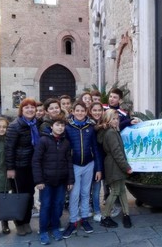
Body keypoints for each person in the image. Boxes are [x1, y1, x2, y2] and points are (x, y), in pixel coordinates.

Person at [63, 101, 102, 239]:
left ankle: (84, 218)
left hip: (89, 164)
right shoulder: (67, 128)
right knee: (74, 194)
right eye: (77, 110)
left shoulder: (90, 127)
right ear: (72, 112)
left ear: (86, 112)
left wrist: (98, 169)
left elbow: (95, 149)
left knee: (86, 193)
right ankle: (73, 221)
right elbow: (65, 151)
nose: (80, 113)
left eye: (82, 111)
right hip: (74, 165)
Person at [32, 116, 74, 245]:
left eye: (62, 125)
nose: (60, 127)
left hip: (61, 181)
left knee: (58, 204)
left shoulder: (65, 142)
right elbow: (36, 161)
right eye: (57, 125)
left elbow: (69, 162)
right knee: (46, 205)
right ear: (51, 127)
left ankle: (55, 227)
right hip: (46, 181)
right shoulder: (44, 140)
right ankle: (44, 230)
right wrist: (39, 180)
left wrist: (70, 180)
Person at [5, 98, 39, 236]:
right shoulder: (15, 126)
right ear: (21, 110)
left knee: (30, 194)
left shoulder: (35, 124)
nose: (30, 110)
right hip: (19, 167)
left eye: (32, 107)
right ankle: (19, 223)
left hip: (31, 166)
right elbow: (9, 148)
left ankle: (26, 221)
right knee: (19, 195)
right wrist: (10, 168)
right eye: (27, 108)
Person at [96, 109, 133, 228]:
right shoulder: (111, 133)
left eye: (117, 119)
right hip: (114, 165)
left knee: (122, 190)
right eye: (113, 119)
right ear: (107, 120)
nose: (116, 121)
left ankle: (126, 214)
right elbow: (117, 152)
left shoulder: (112, 131)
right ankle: (105, 217)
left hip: (115, 164)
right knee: (116, 191)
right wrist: (127, 167)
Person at [89, 102, 105, 222]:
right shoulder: (88, 124)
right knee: (85, 190)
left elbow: (120, 121)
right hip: (88, 161)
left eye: (99, 110)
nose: (97, 112)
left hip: (100, 161)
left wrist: (132, 120)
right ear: (90, 111)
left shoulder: (105, 123)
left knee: (96, 188)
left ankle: (97, 210)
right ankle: (88, 209)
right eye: (94, 110)